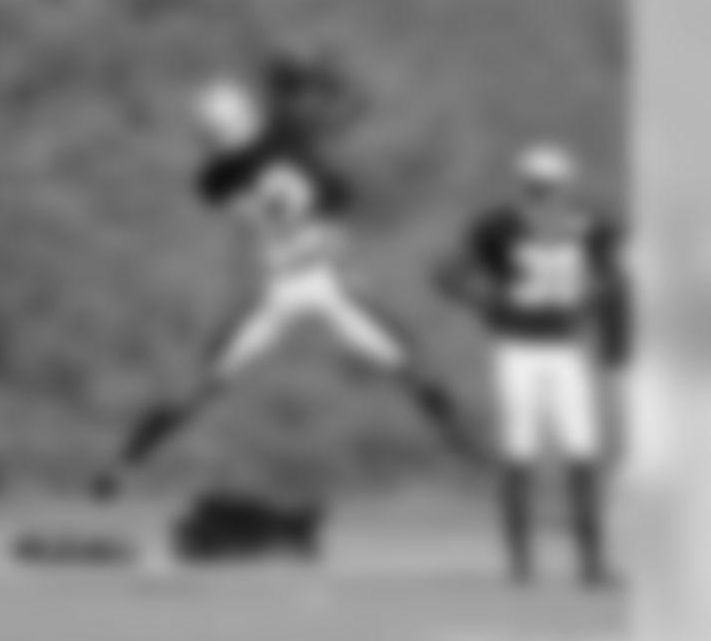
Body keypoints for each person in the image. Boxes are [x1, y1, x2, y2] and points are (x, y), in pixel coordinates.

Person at [94, 55, 480, 498]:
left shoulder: (217, 175)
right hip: (323, 277)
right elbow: (348, 112)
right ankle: (465, 442)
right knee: (408, 359)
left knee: (203, 381)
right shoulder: (284, 135)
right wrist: (313, 85)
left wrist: (297, 104)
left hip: (277, 285)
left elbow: (227, 177)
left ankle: (125, 463)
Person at [437, 142, 631, 588]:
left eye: (550, 184)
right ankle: (521, 564)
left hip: (564, 349)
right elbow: (446, 273)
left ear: (564, 185)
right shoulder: (499, 227)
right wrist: (487, 303)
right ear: (525, 184)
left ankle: (590, 562)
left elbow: (612, 281)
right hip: (517, 349)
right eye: (538, 185)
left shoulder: (590, 227)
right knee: (519, 449)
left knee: (581, 448)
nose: (545, 193)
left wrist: (598, 317)